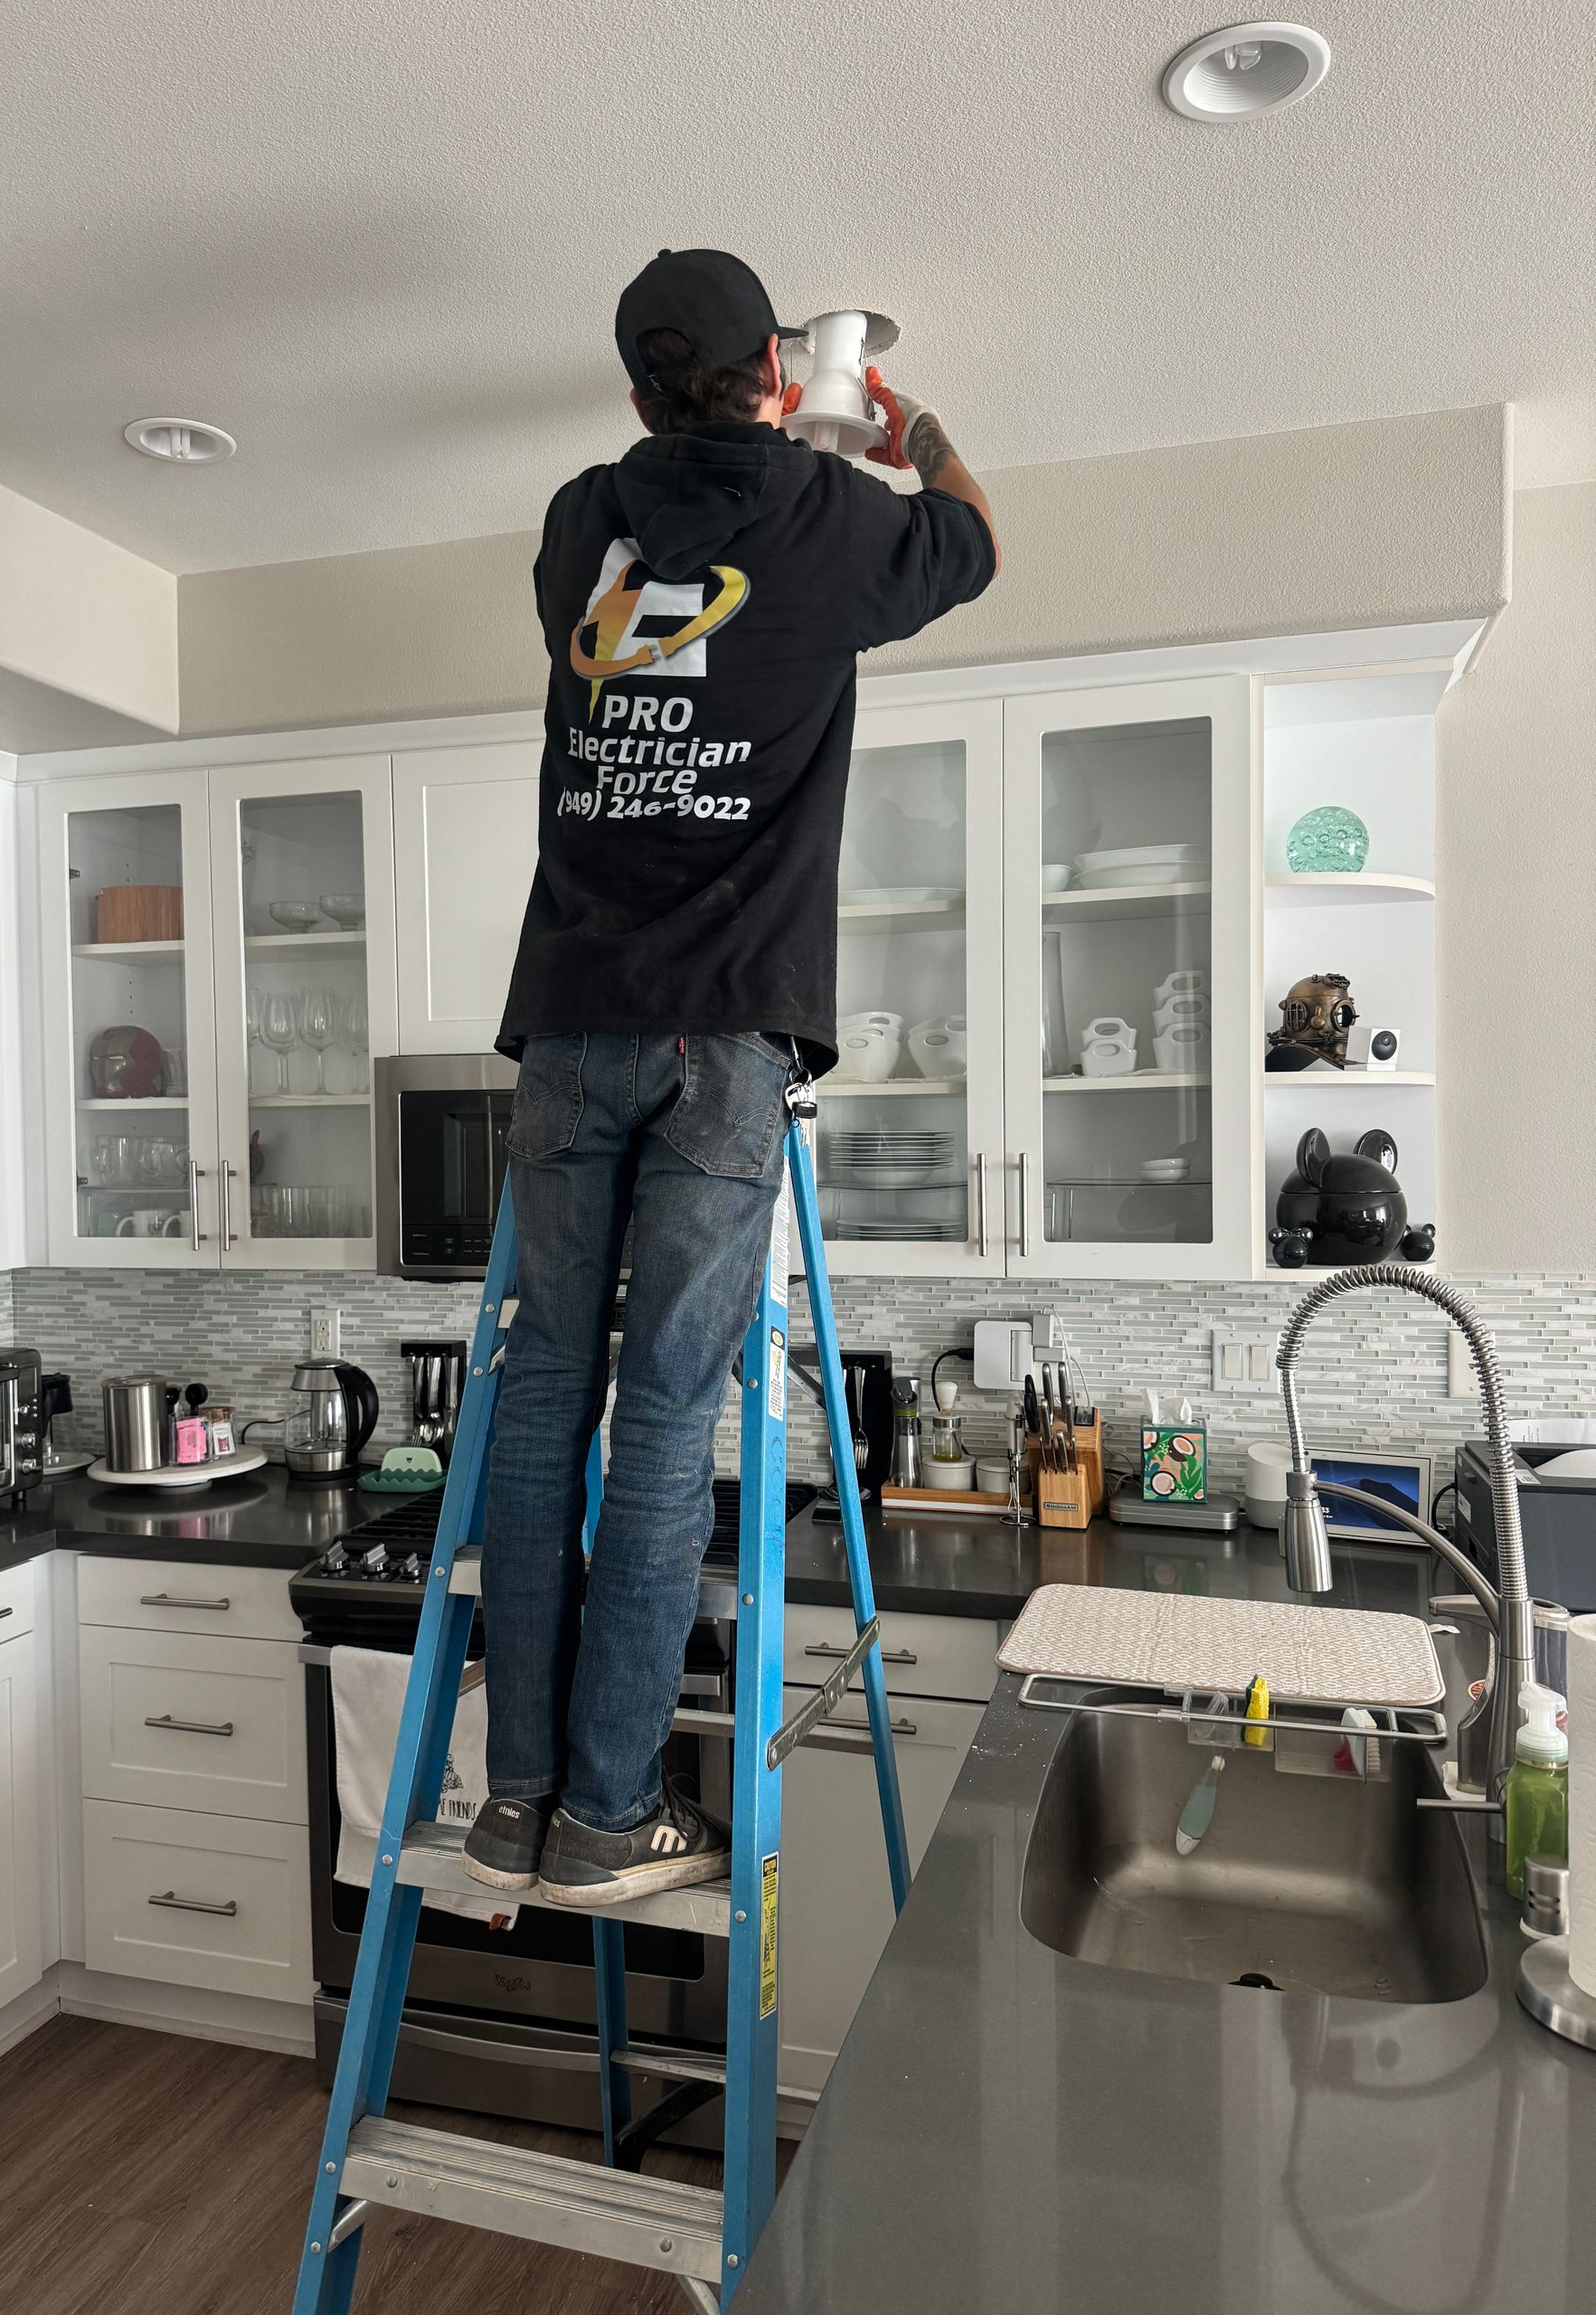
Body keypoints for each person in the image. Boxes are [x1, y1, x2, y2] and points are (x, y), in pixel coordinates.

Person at [463, 250, 999, 1904]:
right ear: (779, 366)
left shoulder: (576, 524)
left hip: (569, 1022)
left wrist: (770, 451)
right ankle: (612, 1815)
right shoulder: (832, 527)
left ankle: (521, 1795)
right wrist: (908, 432)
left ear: (634, 393)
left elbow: (675, 517)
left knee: (545, 1397)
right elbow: (972, 546)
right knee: (664, 1424)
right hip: (727, 1040)